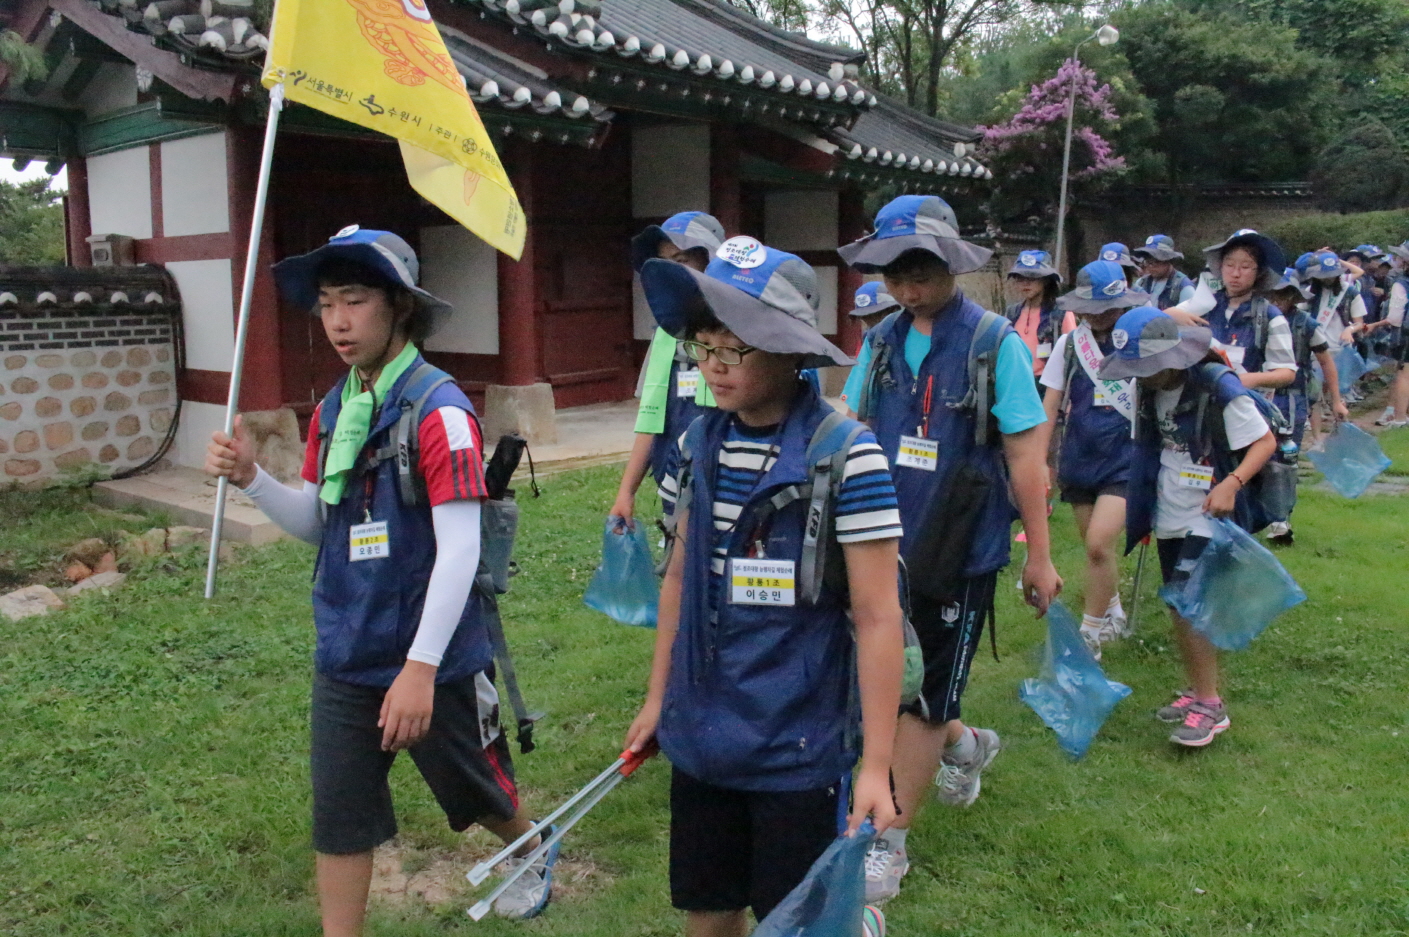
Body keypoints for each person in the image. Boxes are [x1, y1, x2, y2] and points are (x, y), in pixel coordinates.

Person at [204, 227, 552, 934]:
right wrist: (251, 478)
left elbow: (458, 549)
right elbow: (319, 523)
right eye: (327, 302)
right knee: (340, 812)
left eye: (355, 300)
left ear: (398, 306)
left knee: (471, 788)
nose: (337, 319)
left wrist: (420, 670)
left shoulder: (440, 410)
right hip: (348, 647)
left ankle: (530, 843)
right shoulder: (337, 407)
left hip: (432, 654)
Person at [624, 235, 904, 937]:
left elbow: (876, 617)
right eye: (703, 347)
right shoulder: (692, 448)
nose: (712, 368)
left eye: (733, 349)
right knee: (708, 907)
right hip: (701, 736)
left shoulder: (847, 456)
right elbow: (678, 580)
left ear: (789, 349)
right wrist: (660, 700)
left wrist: (875, 764)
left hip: (797, 746)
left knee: (794, 919)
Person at [836, 195, 1062, 903]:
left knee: (925, 696)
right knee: (891, 678)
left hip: (960, 547)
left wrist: (1038, 554)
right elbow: (848, 424)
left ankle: (889, 843)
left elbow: (1027, 456)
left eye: (922, 269)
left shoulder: (995, 344)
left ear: (950, 265)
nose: (909, 285)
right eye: (896, 271)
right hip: (881, 540)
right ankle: (969, 746)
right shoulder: (877, 343)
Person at [1099, 307, 1276, 748]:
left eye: (1145, 367)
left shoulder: (1218, 387)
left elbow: (1265, 441)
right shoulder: (1151, 390)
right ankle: (1198, 691)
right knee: (1178, 605)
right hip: (1170, 510)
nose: (1140, 376)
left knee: (1192, 603)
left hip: (1209, 512)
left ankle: (1211, 706)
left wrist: (1232, 484)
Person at [1039, 261, 1147, 656]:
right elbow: (1051, 403)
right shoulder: (1071, 346)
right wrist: (1040, 459)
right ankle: (1112, 609)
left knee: (1100, 545)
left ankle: (1089, 635)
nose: (1098, 315)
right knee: (1093, 546)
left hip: (1126, 457)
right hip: (1081, 456)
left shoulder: (1139, 338)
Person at [611, 211, 726, 526]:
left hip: (731, 486)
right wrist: (626, 492)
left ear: (712, 261)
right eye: (667, 264)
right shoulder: (664, 335)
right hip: (674, 483)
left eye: (684, 260)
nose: (676, 273)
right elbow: (650, 419)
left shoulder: (740, 329)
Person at [1260, 267, 1347, 544]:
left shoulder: (1305, 324)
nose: (1277, 300)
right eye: (1273, 294)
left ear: (1293, 297)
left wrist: (1336, 400)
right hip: (1256, 395)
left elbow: (1325, 362)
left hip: (1290, 398)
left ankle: (1280, 521)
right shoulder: (1254, 319)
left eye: (1284, 294)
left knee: (1283, 460)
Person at [1199, 230, 1297, 396]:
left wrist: (1247, 380)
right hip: (1203, 406)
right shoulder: (1202, 306)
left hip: (1249, 407)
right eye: (1229, 265)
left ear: (1259, 272)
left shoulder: (1270, 317)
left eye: (1245, 267)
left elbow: (1287, 372)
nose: (1236, 274)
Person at [1297, 250, 1368, 403]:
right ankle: (1317, 415)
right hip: (1316, 345)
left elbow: (1359, 323)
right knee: (1316, 385)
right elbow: (1299, 313)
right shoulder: (1310, 293)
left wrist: (1350, 330)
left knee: (1337, 387)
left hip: (1341, 347)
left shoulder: (1349, 292)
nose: (1328, 279)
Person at [1002, 249, 1074, 381]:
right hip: (1017, 381)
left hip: (1049, 384)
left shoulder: (1061, 313)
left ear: (1046, 280)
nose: (1026, 283)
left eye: (1032, 277)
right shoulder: (1011, 313)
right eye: (1020, 278)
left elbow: (1073, 355)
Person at [1375, 243, 1409, 427]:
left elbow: (1395, 318)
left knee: (1404, 374)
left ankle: (1400, 418)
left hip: (1406, 335)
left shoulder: (1401, 283)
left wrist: (1375, 325)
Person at [1133, 234, 1195, 310]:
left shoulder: (1183, 287)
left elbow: (1189, 317)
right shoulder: (1141, 283)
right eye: (1147, 262)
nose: (1150, 266)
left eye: (1155, 262)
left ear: (1168, 260)